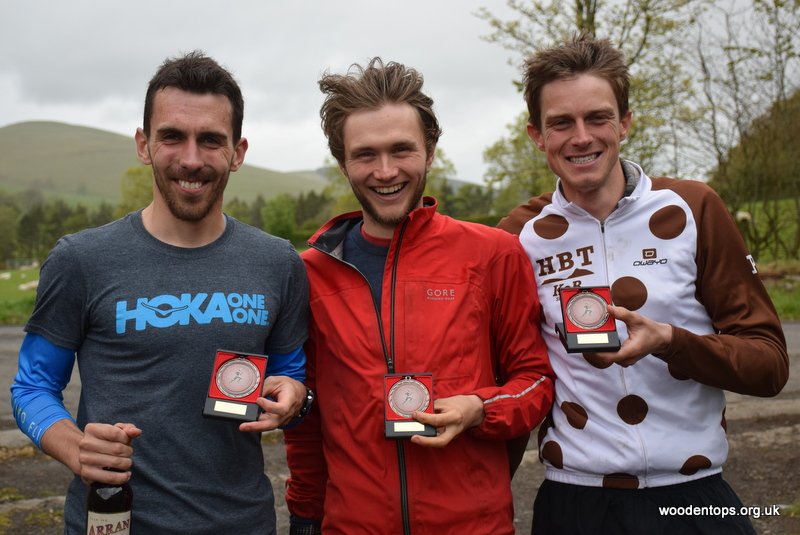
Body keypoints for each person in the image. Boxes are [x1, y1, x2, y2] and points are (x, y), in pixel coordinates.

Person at [498, 34, 790, 534]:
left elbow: (770, 366)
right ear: (537, 135)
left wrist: (671, 341)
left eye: (598, 118)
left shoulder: (692, 208)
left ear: (625, 123)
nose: (581, 137)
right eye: (561, 123)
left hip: (694, 497)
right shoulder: (518, 236)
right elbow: (505, 372)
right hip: (575, 502)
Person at [9, 51, 310, 534]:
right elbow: (31, 387)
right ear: (144, 144)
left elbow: (290, 377)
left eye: (210, 140)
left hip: (243, 522)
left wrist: (294, 397)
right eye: (172, 136)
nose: (191, 159)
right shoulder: (81, 259)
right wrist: (73, 445)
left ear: (237, 152)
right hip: (113, 521)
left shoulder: (278, 262)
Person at [283, 57, 555, 535]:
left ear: (430, 152)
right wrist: (305, 515)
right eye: (365, 155)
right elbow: (308, 419)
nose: (385, 171)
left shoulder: (493, 254)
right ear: (343, 163)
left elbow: (535, 382)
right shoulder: (310, 273)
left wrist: (479, 409)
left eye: (401, 150)